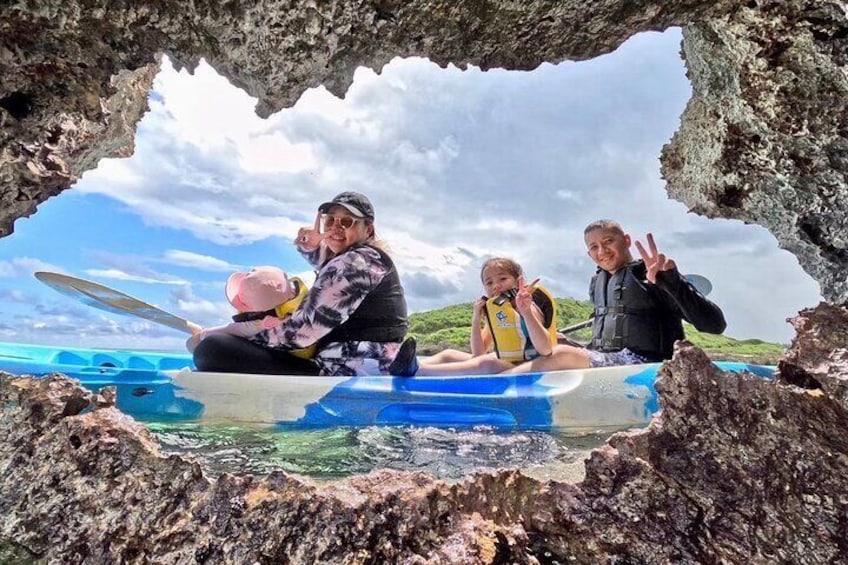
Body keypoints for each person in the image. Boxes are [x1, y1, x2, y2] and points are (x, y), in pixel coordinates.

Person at [193, 191, 409, 376]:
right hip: (373, 356)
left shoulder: (355, 263)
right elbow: (328, 268)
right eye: (330, 220)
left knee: (212, 349)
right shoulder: (365, 258)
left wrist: (241, 332)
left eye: (346, 222)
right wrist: (311, 246)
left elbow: (301, 335)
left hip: (345, 367)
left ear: (368, 229)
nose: (335, 228)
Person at [499, 219, 726, 374]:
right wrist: (572, 343)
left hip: (645, 365)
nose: (602, 251)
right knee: (554, 342)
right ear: (589, 254)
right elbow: (603, 341)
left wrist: (672, 283)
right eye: (594, 247)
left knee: (561, 354)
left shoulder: (652, 275)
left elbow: (715, 325)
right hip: (608, 361)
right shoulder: (597, 282)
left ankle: (501, 382)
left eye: (608, 241)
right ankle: (491, 370)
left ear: (626, 240)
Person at [388, 257, 557, 376]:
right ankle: (398, 368)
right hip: (509, 361)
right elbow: (479, 352)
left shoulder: (529, 305)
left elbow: (545, 349)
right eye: (489, 283)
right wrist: (477, 317)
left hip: (528, 365)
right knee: (448, 354)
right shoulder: (499, 311)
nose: (496, 286)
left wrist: (526, 311)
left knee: (486, 364)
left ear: (518, 280)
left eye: (503, 279)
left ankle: (418, 370)